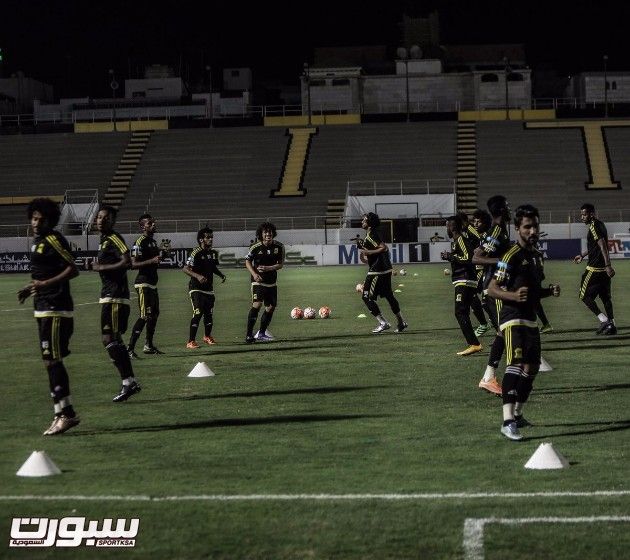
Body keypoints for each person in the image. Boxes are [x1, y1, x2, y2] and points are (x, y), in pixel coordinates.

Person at [487, 204, 561, 440]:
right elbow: (492, 289)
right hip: (511, 317)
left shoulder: (537, 256)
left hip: (530, 318)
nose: (532, 231)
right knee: (516, 364)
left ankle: (518, 414)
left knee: (532, 367)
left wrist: (549, 291)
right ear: (518, 228)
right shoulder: (510, 255)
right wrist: (512, 296)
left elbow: (533, 292)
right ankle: (507, 421)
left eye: (535, 226)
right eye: (527, 227)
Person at [18, 198, 81, 435]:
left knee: (53, 360)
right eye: (33, 218)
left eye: (41, 219)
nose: (36, 223)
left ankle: (67, 415)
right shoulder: (38, 241)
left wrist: (44, 284)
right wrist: (32, 288)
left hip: (56, 308)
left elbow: (72, 268)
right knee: (50, 360)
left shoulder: (54, 239)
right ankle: (61, 413)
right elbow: (42, 274)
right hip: (43, 307)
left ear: (50, 220)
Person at [91, 206, 141, 402]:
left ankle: (128, 382)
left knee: (109, 338)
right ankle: (129, 382)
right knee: (115, 340)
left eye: (106, 218)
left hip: (115, 296)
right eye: (99, 217)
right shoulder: (103, 241)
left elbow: (127, 262)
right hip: (110, 295)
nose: (101, 220)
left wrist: (101, 267)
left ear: (112, 221)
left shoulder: (114, 238)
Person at [473, 195, 512, 395]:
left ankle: (491, 377)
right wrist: (504, 260)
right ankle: (489, 378)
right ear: (501, 210)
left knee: (507, 330)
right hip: (494, 289)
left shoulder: (500, 230)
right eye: (507, 206)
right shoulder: (496, 230)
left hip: (499, 287)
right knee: (504, 331)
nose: (510, 209)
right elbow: (477, 257)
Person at [358, 212, 408, 334]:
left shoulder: (371, 235)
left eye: (364, 220)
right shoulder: (375, 233)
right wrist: (364, 252)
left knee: (366, 297)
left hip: (377, 271)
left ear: (369, 223)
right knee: (389, 296)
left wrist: (367, 252)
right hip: (385, 269)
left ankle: (383, 323)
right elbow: (380, 252)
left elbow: (383, 247)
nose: (362, 222)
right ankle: (401, 322)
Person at [441, 215, 482, 355]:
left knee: (460, 312)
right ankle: (474, 343)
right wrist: (449, 256)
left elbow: (469, 258)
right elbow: (460, 257)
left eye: (447, 226)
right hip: (463, 280)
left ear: (452, 227)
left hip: (465, 280)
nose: (446, 229)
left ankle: (474, 344)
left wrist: (451, 256)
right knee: (462, 312)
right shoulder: (455, 242)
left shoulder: (461, 240)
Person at [574, 203, 616, 335]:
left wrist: (608, 265)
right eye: (581, 214)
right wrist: (582, 255)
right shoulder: (600, 224)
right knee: (605, 298)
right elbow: (596, 246)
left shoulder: (593, 226)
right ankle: (612, 325)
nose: (582, 217)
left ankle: (604, 321)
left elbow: (603, 246)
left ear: (591, 214)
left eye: (584, 214)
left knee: (584, 296)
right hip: (603, 271)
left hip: (594, 269)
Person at [184, 227, 226, 348]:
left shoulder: (213, 253)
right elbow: (185, 269)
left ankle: (207, 336)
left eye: (211, 237)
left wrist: (221, 275)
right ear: (201, 239)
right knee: (198, 313)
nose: (211, 239)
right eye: (208, 237)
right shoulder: (195, 252)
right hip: (196, 288)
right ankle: (191, 341)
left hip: (209, 289)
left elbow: (213, 267)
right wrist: (198, 276)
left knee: (209, 314)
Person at [127, 214, 163, 358]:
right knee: (144, 316)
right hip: (143, 283)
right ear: (142, 226)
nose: (153, 224)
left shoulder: (153, 242)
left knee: (154, 315)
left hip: (152, 284)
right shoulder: (139, 242)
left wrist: (165, 254)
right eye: (150, 223)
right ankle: (130, 349)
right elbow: (133, 264)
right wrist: (152, 261)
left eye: (153, 222)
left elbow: (155, 260)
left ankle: (148, 345)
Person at [245, 222, 284, 343]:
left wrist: (269, 268)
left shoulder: (279, 247)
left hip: (271, 282)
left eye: (270, 232)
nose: (268, 234)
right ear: (261, 234)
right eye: (265, 232)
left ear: (273, 233)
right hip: (258, 281)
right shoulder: (255, 247)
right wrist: (254, 274)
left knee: (271, 307)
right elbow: (247, 262)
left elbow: (280, 264)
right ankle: (249, 335)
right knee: (257, 304)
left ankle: (261, 333)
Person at [461, 210, 491, 336]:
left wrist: (476, 252)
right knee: (483, 299)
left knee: (472, 294)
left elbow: (482, 245)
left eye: (478, 221)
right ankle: (491, 321)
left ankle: (486, 323)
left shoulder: (474, 231)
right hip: (478, 267)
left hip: (483, 268)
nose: (475, 224)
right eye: (474, 221)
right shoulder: (468, 231)